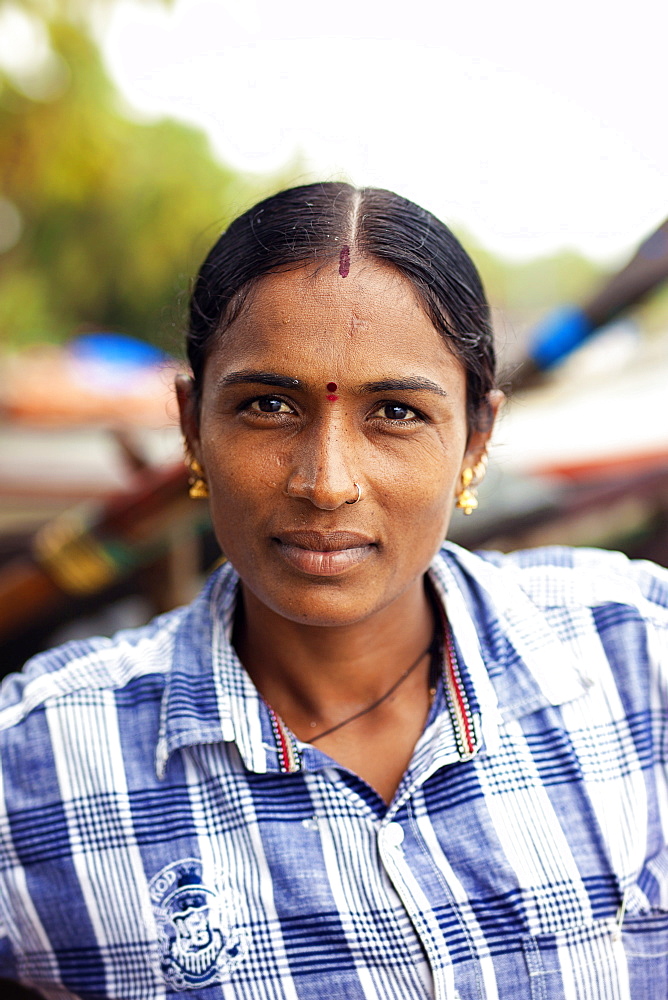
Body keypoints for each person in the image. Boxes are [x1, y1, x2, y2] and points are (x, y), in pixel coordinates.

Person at [0, 182, 667, 1000]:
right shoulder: (36, 769)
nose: (327, 484)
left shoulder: (639, 656)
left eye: (394, 412)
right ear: (190, 426)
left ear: (476, 439)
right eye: (268, 405)